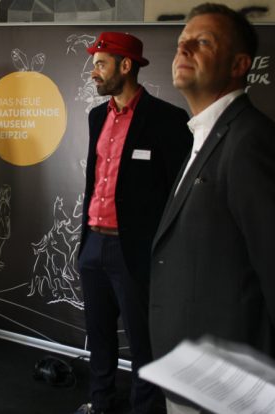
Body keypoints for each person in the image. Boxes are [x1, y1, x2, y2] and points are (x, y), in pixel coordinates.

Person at [148, 3, 275, 413]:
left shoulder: (250, 143)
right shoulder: (206, 136)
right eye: (181, 41)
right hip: (192, 369)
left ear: (240, 64)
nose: (183, 48)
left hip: (228, 381)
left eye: (202, 41)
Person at [75, 32, 192, 414]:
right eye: (94, 64)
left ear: (126, 66)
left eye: (101, 63)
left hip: (135, 252)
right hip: (93, 244)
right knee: (99, 337)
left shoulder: (168, 121)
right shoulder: (96, 117)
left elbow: (180, 195)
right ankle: (101, 403)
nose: (94, 72)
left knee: (143, 343)